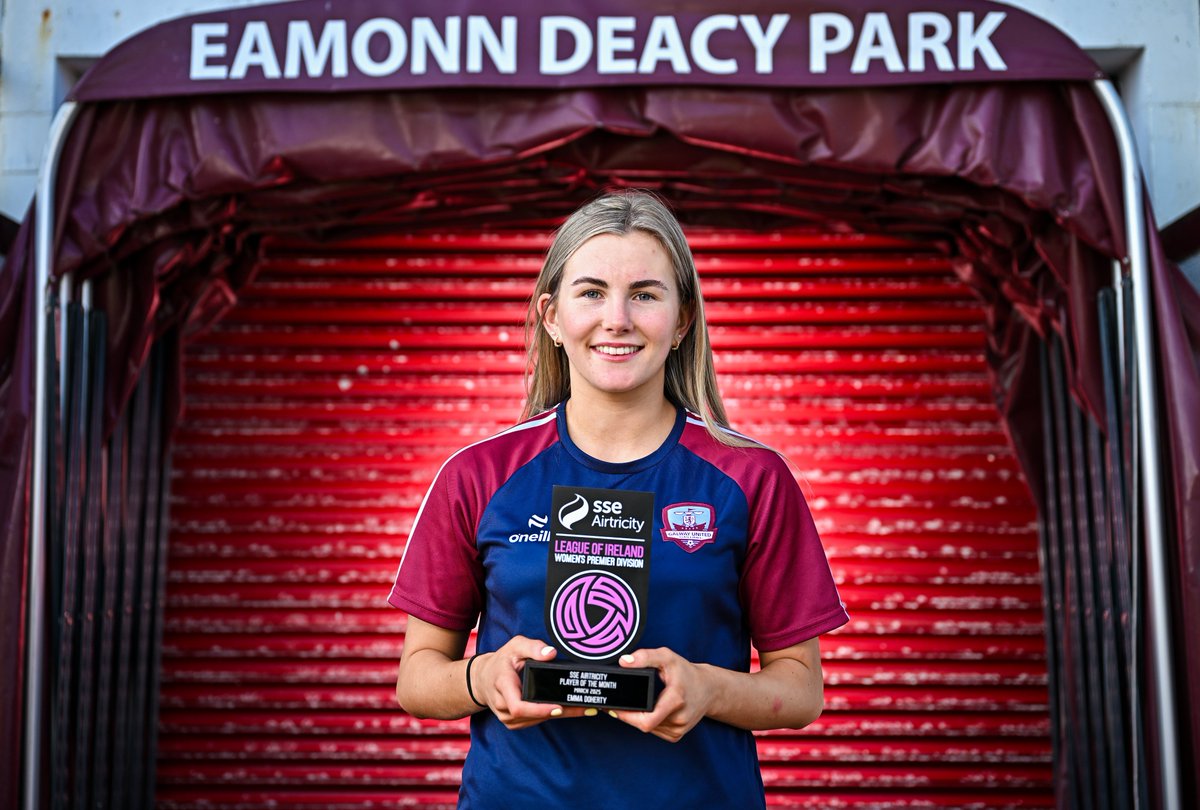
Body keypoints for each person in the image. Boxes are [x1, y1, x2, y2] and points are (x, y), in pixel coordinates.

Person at [389, 190, 848, 808]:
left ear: (683, 319)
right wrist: (483, 677)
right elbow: (417, 678)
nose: (618, 319)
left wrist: (707, 689)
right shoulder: (477, 475)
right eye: (591, 292)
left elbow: (802, 692)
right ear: (552, 317)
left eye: (646, 294)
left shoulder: (752, 478)